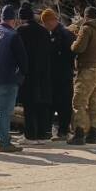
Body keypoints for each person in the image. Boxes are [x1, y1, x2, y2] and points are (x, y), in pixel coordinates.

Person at [0, 4, 28, 153]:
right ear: (13, 20)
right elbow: (22, 59)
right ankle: (4, 142)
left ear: (1, 17)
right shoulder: (13, 35)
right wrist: (21, 76)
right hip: (8, 79)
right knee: (5, 111)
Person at [67, 7, 96, 146]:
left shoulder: (86, 29)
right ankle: (94, 133)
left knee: (78, 101)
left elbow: (78, 48)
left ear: (86, 17)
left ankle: (79, 133)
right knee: (95, 102)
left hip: (88, 69)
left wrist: (73, 43)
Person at [18, 3, 53, 143]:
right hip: (44, 72)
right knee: (41, 104)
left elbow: (18, 53)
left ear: (21, 17)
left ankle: (30, 135)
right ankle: (43, 134)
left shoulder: (20, 31)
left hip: (28, 73)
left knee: (29, 104)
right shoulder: (44, 31)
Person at [42, 9, 76, 141]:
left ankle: (63, 130)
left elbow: (70, 54)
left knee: (63, 103)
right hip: (56, 75)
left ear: (52, 21)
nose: (45, 25)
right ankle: (55, 130)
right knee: (54, 103)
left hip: (62, 75)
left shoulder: (65, 34)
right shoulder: (54, 33)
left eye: (46, 22)